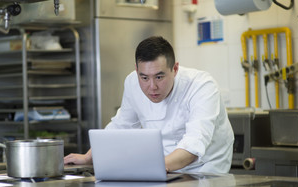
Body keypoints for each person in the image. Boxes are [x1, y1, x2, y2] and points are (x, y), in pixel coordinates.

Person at [64, 36, 234, 174]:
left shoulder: (201, 85)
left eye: (159, 77)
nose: (152, 86)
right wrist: (88, 158)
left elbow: (194, 143)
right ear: (137, 71)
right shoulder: (132, 82)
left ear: (175, 69)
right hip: (165, 169)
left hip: (205, 170)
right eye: (144, 77)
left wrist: (151, 168)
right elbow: (121, 126)